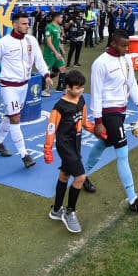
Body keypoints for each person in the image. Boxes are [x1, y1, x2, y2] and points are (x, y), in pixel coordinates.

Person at [84, 30, 138, 213]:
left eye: (127, 45)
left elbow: (131, 84)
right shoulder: (100, 63)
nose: (126, 48)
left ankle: (81, 174)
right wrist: (98, 121)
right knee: (122, 152)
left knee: (103, 143)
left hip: (121, 111)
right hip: (108, 113)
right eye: (123, 45)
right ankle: (133, 199)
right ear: (113, 43)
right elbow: (96, 94)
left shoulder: (126, 59)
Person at [0, 12, 53, 167]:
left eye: (27, 23)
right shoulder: (3, 43)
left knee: (9, 116)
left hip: (24, 85)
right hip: (9, 86)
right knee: (15, 119)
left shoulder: (32, 40)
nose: (27, 26)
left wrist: (46, 75)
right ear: (14, 25)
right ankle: (25, 155)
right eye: (23, 23)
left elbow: (39, 60)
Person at [43, 70, 95, 233]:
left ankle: (56, 210)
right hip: (65, 146)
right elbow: (51, 128)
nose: (80, 91)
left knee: (64, 175)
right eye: (76, 88)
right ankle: (69, 211)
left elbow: (85, 122)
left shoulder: (81, 100)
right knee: (80, 177)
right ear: (67, 87)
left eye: (82, 88)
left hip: (76, 144)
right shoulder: (59, 107)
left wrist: (98, 132)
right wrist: (48, 149)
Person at [42, 11, 67, 92]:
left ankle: (61, 87)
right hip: (49, 54)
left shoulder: (58, 27)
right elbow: (49, 43)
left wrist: (62, 50)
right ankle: (43, 87)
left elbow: (58, 40)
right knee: (47, 72)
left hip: (57, 53)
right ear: (56, 18)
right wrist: (56, 53)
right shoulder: (49, 27)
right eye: (61, 17)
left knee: (61, 69)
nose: (62, 19)